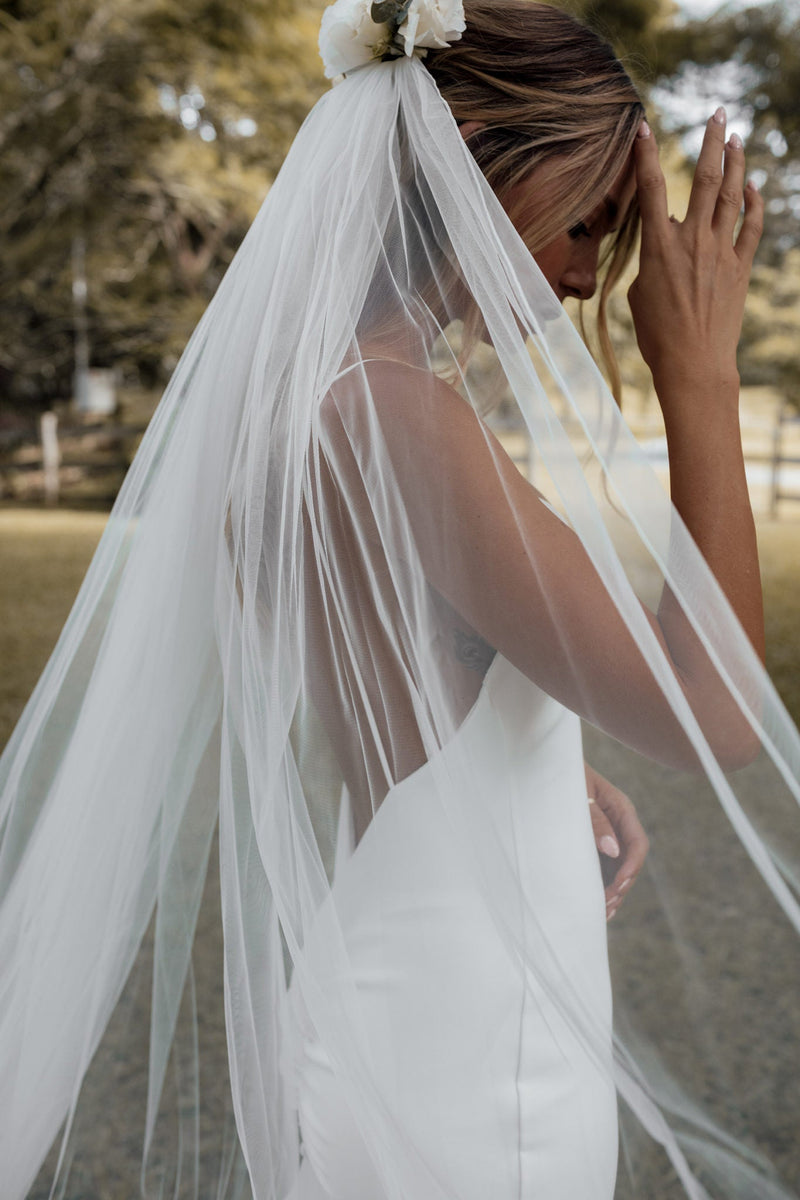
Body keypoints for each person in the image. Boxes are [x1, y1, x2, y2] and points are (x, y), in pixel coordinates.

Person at [1, 1, 799, 1198]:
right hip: (468, 1040)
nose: (590, 274)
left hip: (426, 973)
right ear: (473, 169)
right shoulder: (398, 415)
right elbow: (715, 714)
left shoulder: (320, 398)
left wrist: (529, 769)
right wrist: (698, 374)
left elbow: (390, 660)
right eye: (583, 222)